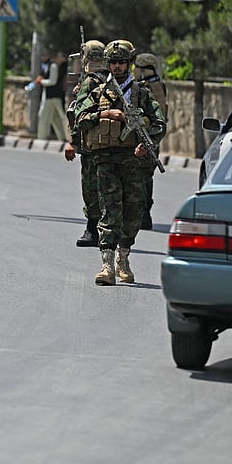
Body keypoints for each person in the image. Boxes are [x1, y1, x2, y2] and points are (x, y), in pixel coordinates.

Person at [75, 39, 166, 285]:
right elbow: (80, 118)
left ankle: (123, 259)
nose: (117, 67)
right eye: (113, 62)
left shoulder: (141, 93)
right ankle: (106, 266)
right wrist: (105, 113)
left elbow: (159, 123)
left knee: (133, 213)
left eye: (122, 62)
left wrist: (146, 144)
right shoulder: (98, 90)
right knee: (109, 210)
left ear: (129, 63)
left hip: (133, 161)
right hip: (105, 160)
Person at [65, 40, 109, 248]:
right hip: (111, 142)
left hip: (91, 144)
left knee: (91, 187)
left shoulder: (90, 82)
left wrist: (73, 142)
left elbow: (80, 114)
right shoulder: (112, 78)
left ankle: (93, 230)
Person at [133, 52, 167, 230]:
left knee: (144, 177)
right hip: (144, 137)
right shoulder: (148, 85)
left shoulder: (154, 87)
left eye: (137, 68)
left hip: (148, 138)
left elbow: (158, 115)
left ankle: (144, 214)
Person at [35, 51, 70, 143]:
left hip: (53, 96)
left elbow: (53, 81)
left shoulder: (53, 66)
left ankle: (41, 137)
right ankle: (61, 137)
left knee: (44, 116)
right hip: (49, 96)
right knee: (55, 118)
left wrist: (41, 81)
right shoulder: (45, 66)